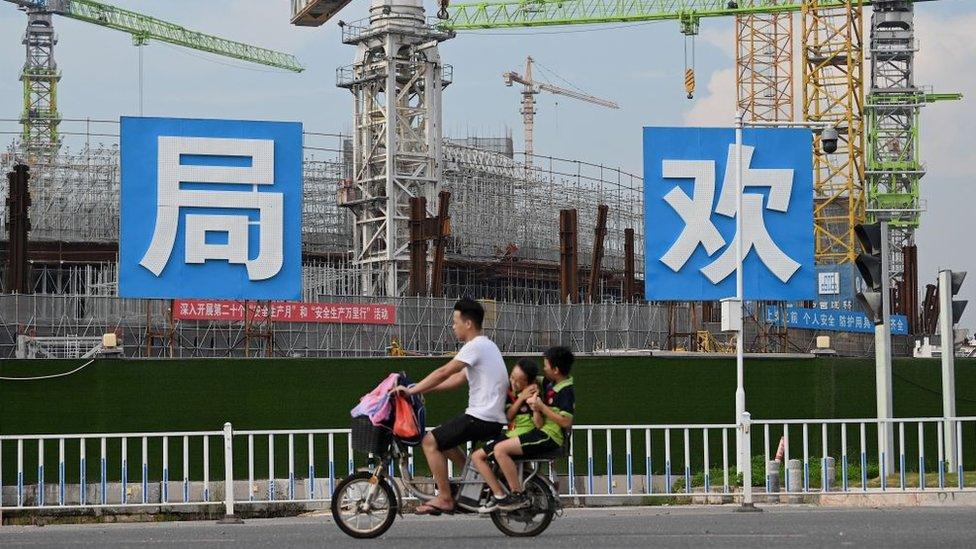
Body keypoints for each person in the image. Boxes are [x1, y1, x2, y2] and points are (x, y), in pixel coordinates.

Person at [395, 298, 508, 515]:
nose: (452, 326)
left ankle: (445, 497)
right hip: (489, 417)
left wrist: (411, 391)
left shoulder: (475, 346)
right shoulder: (486, 345)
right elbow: (456, 379)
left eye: (455, 322)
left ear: (468, 323)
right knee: (444, 443)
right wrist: (420, 389)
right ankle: (473, 482)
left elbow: (443, 372)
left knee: (429, 441)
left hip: (482, 417)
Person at [475, 346, 575, 512]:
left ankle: (517, 495)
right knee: (497, 454)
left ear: (556, 370)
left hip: (549, 435)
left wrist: (540, 407)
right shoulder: (552, 383)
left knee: (499, 451)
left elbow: (565, 421)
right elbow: (534, 379)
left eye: (546, 366)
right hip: (541, 432)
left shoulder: (565, 390)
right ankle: (504, 492)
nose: (544, 368)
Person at [469, 359, 540, 488]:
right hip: (513, 434)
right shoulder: (511, 392)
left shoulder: (533, 394)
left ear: (530, 382)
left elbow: (508, 417)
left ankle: (501, 493)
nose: (513, 382)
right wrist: (521, 396)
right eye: (512, 377)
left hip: (519, 436)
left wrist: (523, 398)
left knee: (477, 457)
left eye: (519, 381)